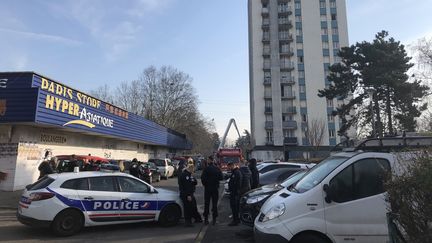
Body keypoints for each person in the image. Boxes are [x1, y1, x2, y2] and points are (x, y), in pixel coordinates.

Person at [201, 155, 223, 225]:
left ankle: (206, 219)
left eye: (208, 160)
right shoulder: (217, 169)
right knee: (214, 204)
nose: (207, 161)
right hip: (215, 188)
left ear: (210, 160)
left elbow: (203, 179)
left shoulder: (206, 169)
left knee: (207, 203)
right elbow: (221, 177)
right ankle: (214, 219)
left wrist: (206, 184)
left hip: (208, 188)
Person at [227, 161, 242, 226]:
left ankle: (235, 221)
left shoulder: (236, 173)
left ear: (232, 166)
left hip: (235, 193)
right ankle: (236, 219)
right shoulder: (235, 172)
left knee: (234, 207)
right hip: (234, 193)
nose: (229, 168)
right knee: (235, 207)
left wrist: (235, 191)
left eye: (229, 167)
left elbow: (237, 184)